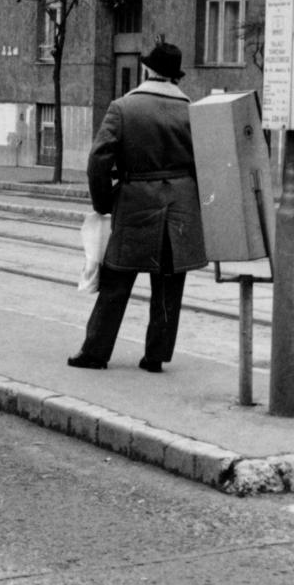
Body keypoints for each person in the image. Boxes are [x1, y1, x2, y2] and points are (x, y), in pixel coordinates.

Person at [68, 41, 205, 373]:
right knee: (169, 287)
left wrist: (103, 203)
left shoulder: (123, 108)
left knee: (115, 283)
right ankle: (155, 357)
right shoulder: (194, 111)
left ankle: (95, 353)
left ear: (146, 71)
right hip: (180, 210)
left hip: (134, 206)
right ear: (175, 76)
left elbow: (98, 162)